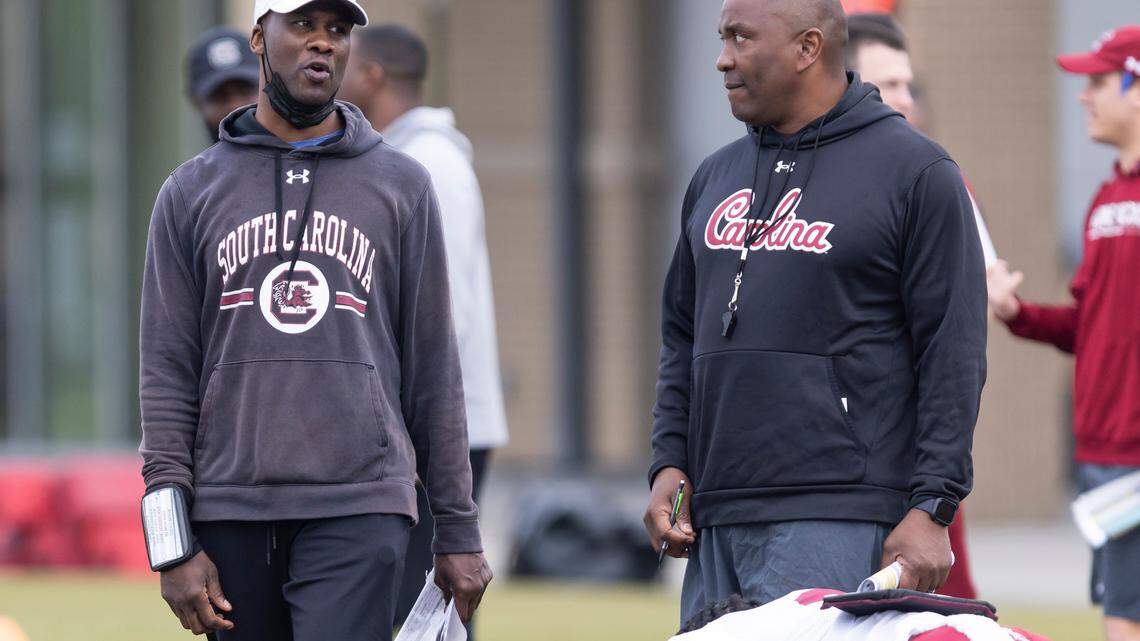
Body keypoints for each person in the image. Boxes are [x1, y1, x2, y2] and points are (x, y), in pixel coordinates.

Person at [137, 1, 491, 639]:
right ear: (258, 38)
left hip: (361, 505)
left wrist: (459, 530)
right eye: (302, 26)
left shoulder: (401, 185)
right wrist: (169, 542)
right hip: (229, 509)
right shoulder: (189, 193)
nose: (322, 44)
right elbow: (166, 375)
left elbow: (435, 370)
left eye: (336, 30)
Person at [644, 0, 987, 625]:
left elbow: (953, 353)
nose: (722, 59)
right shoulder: (715, 175)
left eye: (742, 39)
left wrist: (933, 507)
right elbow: (680, 335)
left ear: (808, 48)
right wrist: (669, 460)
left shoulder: (916, 172)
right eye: (723, 38)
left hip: (839, 512)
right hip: (718, 516)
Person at [338, 24, 509, 636]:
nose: (328, 62)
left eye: (344, 57)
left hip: (440, 432)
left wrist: (411, 431)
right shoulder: (402, 157)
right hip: (425, 428)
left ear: (373, 75)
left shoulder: (429, 163)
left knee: (429, 609)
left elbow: (446, 314)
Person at [987, 25, 1140, 641]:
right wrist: (1016, 312)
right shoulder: (1105, 196)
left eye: (1099, 82)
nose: (1083, 95)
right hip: (1101, 454)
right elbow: (1091, 324)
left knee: (1124, 620)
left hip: (1134, 456)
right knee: (1119, 611)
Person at [844, 12, 988, 601]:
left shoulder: (933, 176)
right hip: (840, 479)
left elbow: (957, 339)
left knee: (947, 605)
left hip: (917, 466)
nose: (908, 100)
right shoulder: (793, 181)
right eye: (889, 85)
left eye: (910, 86)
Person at [185, 27, 261, 142]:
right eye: (220, 96)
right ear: (196, 102)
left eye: (245, 91)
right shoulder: (192, 161)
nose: (235, 106)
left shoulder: (296, 156)